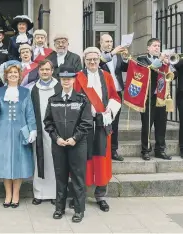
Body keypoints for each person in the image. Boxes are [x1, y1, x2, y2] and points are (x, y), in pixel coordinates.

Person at [72, 47, 121, 212]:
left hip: (102, 123)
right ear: (84, 60)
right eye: (89, 60)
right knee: (82, 160)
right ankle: (80, 195)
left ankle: (101, 196)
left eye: (95, 59)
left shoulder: (106, 76)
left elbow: (115, 97)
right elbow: (73, 99)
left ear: (99, 59)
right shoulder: (78, 78)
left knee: (102, 160)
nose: (92, 62)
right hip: (84, 125)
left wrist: (110, 110)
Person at [44, 66, 93, 223]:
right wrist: (56, 138)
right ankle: (59, 208)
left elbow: (86, 123)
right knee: (60, 177)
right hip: (58, 144)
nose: (66, 81)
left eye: (69, 78)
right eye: (63, 78)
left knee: (78, 178)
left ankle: (79, 210)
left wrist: (75, 138)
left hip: (77, 145)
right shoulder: (53, 100)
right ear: (60, 80)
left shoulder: (82, 100)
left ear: (74, 80)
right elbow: (48, 123)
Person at [0, 60, 37, 208]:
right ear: (5, 75)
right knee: (5, 163)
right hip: (2, 131)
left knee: (18, 163)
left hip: (20, 131)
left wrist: (33, 129)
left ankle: (16, 194)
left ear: (19, 75)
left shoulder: (25, 92)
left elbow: (30, 113)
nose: (12, 75)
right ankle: (8, 194)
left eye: (15, 73)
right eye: (10, 73)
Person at [30, 59, 61, 205]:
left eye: (47, 69)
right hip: (39, 130)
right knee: (40, 159)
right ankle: (39, 193)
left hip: (56, 130)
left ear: (52, 70)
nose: (45, 72)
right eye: (42, 70)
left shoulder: (59, 87)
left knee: (56, 161)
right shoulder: (33, 89)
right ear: (38, 71)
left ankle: (55, 193)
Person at [136, 38, 170, 161]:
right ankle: (145, 150)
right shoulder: (142, 59)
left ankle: (160, 150)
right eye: (154, 46)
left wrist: (168, 64)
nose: (157, 48)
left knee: (162, 125)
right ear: (148, 48)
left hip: (161, 97)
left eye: (158, 46)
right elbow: (148, 70)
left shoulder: (164, 60)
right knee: (147, 125)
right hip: (148, 97)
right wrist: (160, 60)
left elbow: (174, 74)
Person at [99, 34, 129, 162]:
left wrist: (126, 58)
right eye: (106, 41)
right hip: (103, 94)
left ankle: (113, 150)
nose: (109, 44)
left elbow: (125, 69)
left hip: (116, 93)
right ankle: (102, 149)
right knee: (104, 122)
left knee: (115, 124)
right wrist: (112, 53)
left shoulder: (117, 56)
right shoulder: (98, 55)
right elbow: (100, 62)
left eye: (111, 41)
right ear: (100, 43)